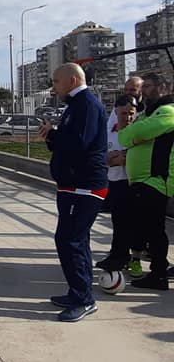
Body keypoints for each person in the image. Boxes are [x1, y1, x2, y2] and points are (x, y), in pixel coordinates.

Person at [39, 63, 108, 322]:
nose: (54, 87)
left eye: (56, 81)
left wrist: (54, 135)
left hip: (84, 186)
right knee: (75, 240)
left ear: (72, 80)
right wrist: (52, 136)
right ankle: (78, 292)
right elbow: (68, 141)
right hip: (73, 185)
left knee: (70, 240)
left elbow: (79, 143)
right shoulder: (76, 106)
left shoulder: (86, 105)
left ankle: (84, 299)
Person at [118, 72, 174, 291]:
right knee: (146, 228)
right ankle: (157, 271)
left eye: (148, 86)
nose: (143, 92)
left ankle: (158, 275)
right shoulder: (148, 114)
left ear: (162, 88)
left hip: (156, 180)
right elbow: (125, 137)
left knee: (155, 230)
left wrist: (134, 135)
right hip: (143, 181)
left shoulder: (168, 112)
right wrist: (133, 136)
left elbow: (133, 133)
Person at [95, 96, 138, 274]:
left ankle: (128, 257)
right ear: (116, 112)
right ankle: (118, 255)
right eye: (123, 113)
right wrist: (110, 159)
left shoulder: (138, 132)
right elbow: (103, 156)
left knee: (131, 223)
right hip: (113, 182)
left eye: (131, 114)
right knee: (118, 221)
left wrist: (123, 157)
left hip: (132, 182)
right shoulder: (109, 131)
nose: (128, 118)